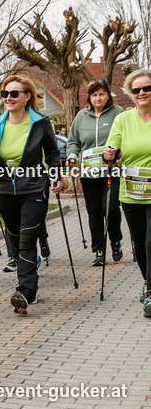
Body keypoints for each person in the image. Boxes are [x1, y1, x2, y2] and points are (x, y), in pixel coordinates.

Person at [0, 74, 66, 315]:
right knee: (16, 239)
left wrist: (56, 175)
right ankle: (31, 285)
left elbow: (52, 154)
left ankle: (25, 291)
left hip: (34, 189)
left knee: (27, 240)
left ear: (27, 97)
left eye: (14, 93)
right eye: (5, 94)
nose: (8, 97)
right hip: (6, 190)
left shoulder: (40, 123)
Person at [104, 68, 151, 318]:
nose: (142, 93)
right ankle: (148, 281)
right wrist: (109, 154)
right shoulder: (123, 119)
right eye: (136, 90)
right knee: (140, 244)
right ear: (131, 94)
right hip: (132, 191)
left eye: (147, 88)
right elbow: (111, 148)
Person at [67, 79, 124, 266]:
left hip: (111, 170)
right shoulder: (81, 116)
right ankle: (99, 250)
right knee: (94, 213)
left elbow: (125, 137)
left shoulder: (118, 113)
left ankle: (115, 241)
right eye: (94, 95)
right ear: (89, 97)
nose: (98, 98)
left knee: (111, 208)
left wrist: (119, 153)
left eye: (101, 94)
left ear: (108, 95)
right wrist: (72, 156)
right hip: (89, 173)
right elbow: (74, 141)